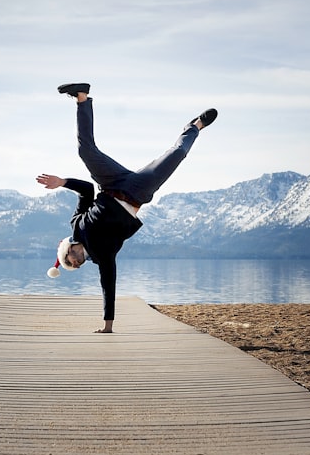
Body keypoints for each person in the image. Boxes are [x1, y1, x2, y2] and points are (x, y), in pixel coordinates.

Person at [38, 82, 217, 333]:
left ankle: (82, 97)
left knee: (86, 151)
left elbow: (87, 190)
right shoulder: (103, 257)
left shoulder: (76, 224)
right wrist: (107, 326)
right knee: (175, 155)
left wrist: (63, 182)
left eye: (69, 261)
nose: (74, 265)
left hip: (110, 182)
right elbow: (108, 285)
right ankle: (195, 126)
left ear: (68, 250)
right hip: (137, 191)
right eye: (74, 266)